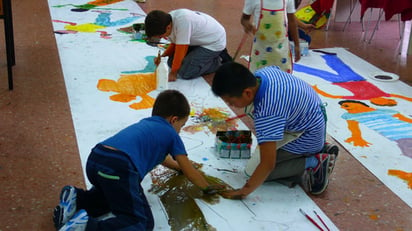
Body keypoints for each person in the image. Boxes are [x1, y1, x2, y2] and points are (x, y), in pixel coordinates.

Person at [53, 90, 225, 231]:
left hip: (97, 158)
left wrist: (177, 167)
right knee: (140, 223)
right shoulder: (172, 134)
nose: (180, 130)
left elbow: (164, 159)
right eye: (181, 125)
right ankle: (86, 227)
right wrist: (207, 187)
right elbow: (190, 171)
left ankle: (77, 199)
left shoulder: (146, 124)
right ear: (174, 120)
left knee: (113, 198)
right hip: (119, 167)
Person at [211, 62, 339, 199]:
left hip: (306, 135)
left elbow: (267, 164)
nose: (231, 106)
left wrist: (243, 191)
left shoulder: (267, 112)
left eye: (231, 102)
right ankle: (319, 147)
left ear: (247, 92)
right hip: (313, 121)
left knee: (253, 171)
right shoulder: (263, 74)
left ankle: (314, 162)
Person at [144, 9, 229, 82]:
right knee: (170, 62)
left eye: (161, 36)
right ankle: (203, 58)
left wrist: (173, 73)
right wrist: (162, 57)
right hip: (199, 40)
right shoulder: (166, 21)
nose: (162, 38)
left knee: (185, 73)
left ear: (168, 27)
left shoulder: (183, 22)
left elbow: (180, 50)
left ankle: (218, 60)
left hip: (214, 42)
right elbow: (175, 43)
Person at [241, 0, 301, 74]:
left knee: (281, 77)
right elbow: (244, 19)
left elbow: (292, 21)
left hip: (281, 49)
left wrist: (297, 45)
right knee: (260, 77)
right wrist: (247, 25)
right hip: (261, 50)